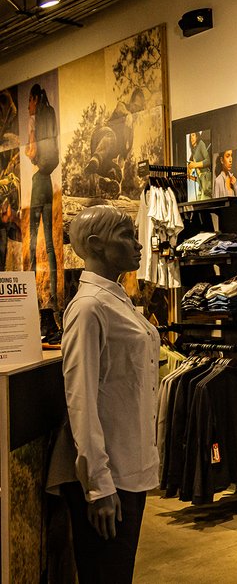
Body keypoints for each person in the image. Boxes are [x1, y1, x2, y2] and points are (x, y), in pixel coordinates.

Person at [45, 205, 159, 583]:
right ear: (96, 244)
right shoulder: (89, 307)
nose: (138, 245)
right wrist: (98, 485)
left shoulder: (115, 299)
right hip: (109, 473)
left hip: (129, 464)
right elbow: (80, 399)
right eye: (126, 236)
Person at [26, 84, 60, 317]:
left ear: (34, 99)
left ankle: (30, 295)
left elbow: (32, 152)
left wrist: (30, 147)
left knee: (32, 240)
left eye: (29, 101)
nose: (28, 106)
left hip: (39, 180)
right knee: (49, 244)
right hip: (47, 181)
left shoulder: (35, 119)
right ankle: (54, 296)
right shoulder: (51, 113)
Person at [186, 131, 212, 200]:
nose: (191, 138)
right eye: (190, 136)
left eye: (193, 135)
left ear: (197, 136)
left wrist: (195, 165)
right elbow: (199, 175)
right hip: (200, 182)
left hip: (206, 180)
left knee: (205, 199)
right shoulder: (193, 151)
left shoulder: (201, 144)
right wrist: (191, 177)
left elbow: (208, 161)